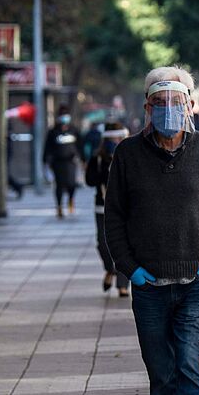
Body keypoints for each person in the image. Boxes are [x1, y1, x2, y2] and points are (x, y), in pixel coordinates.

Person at [105, 65, 199, 395]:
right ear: (147, 107)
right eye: (160, 102)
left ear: (190, 106)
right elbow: (114, 217)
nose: (169, 109)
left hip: (197, 281)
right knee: (161, 369)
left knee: (189, 361)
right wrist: (129, 268)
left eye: (176, 102)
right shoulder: (127, 154)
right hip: (149, 285)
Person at [85, 121, 130, 297]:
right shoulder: (98, 158)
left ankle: (122, 284)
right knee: (103, 244)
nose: (116, 141)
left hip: (126, 207)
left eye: (119, 138)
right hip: (102, 207)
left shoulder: (130, 156)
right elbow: (89, 181)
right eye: (112, 139)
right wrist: (105, 168)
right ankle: (110, 269)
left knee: (125, 244)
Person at [43, 105, 84, 218]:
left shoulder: (73, 130)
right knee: (59, 185)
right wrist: (45, 161)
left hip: (71, 162)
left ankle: (71, 199)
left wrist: (83, 159)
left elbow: (80, 145)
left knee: (72, 184)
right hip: (57, 162)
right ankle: (59, 207)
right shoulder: (53, 132)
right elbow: (47, 147)